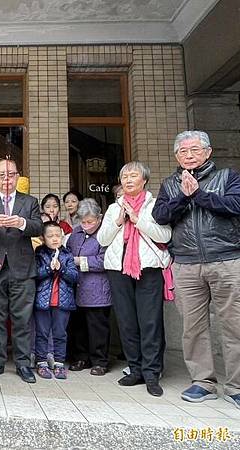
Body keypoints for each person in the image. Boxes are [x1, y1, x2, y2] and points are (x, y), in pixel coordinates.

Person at [152, 130, 240, 407]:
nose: (188, 156)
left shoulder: (228, 177)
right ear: (176, 155)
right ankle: (202, 382)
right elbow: (160, 215)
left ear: (208, 152)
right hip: (187, 263)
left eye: (194, 150)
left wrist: (199, 195)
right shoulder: (170, 183)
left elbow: (235, 205)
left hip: (226, 259)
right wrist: (183, 197)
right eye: (183, 151)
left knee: (234, 325)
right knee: (193, 326)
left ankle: (236, 385)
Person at [97, 161, 171, 397]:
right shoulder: (113, 208)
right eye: (124, 176)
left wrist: (139, 220)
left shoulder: (156, 205)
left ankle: (152, 373)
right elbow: (102, 240)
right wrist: (119, 221)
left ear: (144, 180)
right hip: (118, 269)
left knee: (150, 321)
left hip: (148, 269)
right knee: (127, 321)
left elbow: (165, 235)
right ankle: (135, 369)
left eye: (133, 176)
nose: (128, 180)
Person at [0, 158, 43, 383]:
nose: (6, 179)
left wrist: (21, 223)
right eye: (1, 175)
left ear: (17, 177)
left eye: (11, 175)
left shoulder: (30, 201)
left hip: (22, 267)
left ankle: (23, 363)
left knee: (22, 318)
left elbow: (38, 227)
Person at [66, 198, 111, 375]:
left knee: (97, 327)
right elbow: (67, 253)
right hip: (77, 286)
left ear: (99, 218)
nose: (86, 225)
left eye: (90, 222)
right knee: (79, 326)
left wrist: (80, 261)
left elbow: (104, 260)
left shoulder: (105, 234)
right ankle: (80, 358)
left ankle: (100, 361)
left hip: (98, 289)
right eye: (83, 222)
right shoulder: (76, 234)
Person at [34, 222, 78, 379]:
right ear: (43, 238)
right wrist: (48, 268)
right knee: (42, 333)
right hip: (42, 301)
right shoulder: (39, 254)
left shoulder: (67, 255)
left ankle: (59, 363)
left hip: (63, 302)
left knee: (60, 333)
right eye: (50, 236)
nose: (54, 239)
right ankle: (41, 362)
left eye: (57, 236)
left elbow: (74, 277)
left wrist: (61, 268)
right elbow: (35, 274)